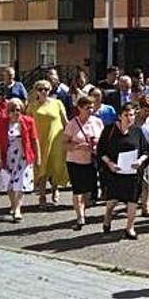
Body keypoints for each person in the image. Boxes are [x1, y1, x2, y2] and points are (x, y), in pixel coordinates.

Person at [98, 102, 149, 240]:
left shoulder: (137, 131)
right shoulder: (109, 130)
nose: (129, 118)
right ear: (120, 116)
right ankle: (107, 217)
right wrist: (109, 163)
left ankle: (130, 228)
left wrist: (140, 161)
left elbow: (146, 150)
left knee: (133, 201)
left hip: (133, 173)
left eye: (132, 115)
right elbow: (101, 151)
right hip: (114, 172)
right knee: (112, 202)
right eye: (126, 115)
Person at [0, 98, 40, 223]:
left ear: (21, 110)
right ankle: (13, 204)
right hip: (7, 157)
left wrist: (38, 157)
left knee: (20, 183)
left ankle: (18, 209)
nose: (15, 112)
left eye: (17, 110)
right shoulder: (2, 123)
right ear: (8, 111)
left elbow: (35, 140)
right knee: (8, 183)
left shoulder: (28, 121)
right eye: (12, 110)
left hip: (23, 157)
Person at [63, 96, 104, 230]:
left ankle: (84, 208)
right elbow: (64, 143)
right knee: (78, 190)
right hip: (75, 161)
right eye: (87, 107)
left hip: (91, 160)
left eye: (92, 107)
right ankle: (80, 217)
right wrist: (79, 146)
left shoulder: (97, 122)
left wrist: (96, 145)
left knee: (89, 192)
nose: (90, 110)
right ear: (79, 108)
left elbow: (103, 141)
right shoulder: (72, 123)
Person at [28, 79, 69, 208]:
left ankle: (55, 188)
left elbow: (65, 121)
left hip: (57, 138)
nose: (44, 91)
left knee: (56, 164)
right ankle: (42, 195)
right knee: (42, 167)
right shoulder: (32, 106)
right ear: (36, 91)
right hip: (40, 140)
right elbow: (27, 124)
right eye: (40, 89)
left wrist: (72, 135)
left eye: (46, 89)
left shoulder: (57, 103)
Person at [135, 94, 149, 217]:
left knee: (146, 180)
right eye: (145, 108)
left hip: (148, 152)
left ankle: (146, 206)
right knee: (133, 180)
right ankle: (131, 203)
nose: (148, 111)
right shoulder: (133, 116)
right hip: (133, 152)